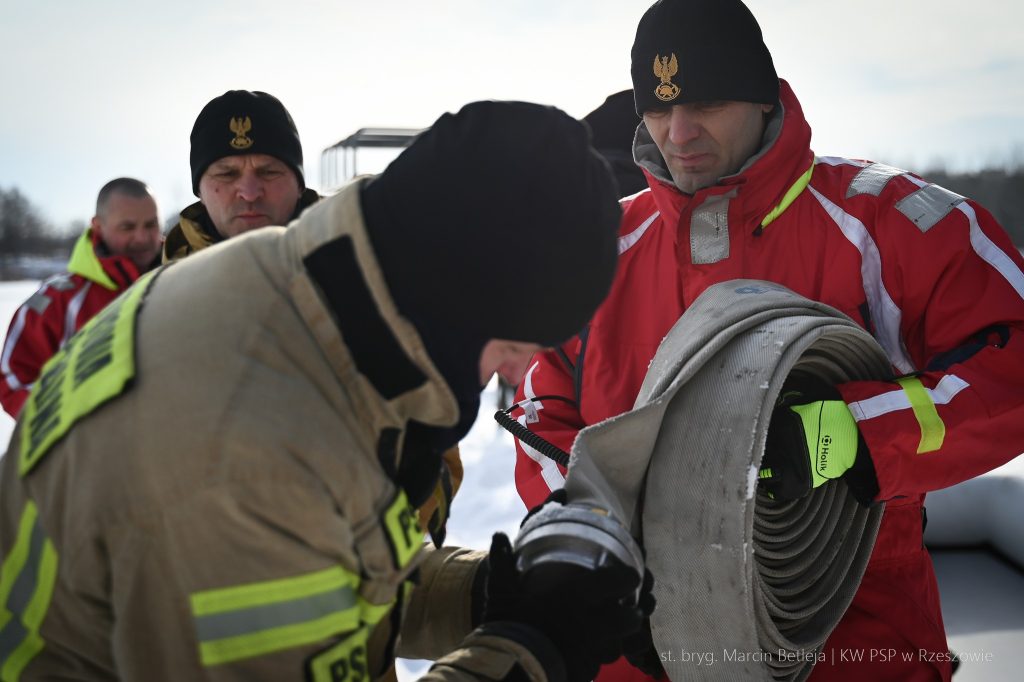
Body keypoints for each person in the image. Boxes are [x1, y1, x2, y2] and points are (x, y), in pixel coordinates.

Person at [0, 101, 650, 682]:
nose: (522, 367)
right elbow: (279, 520)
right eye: (526, 336)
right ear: (464, 292)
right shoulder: (253, 434)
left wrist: (486, 595)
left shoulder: (303, 313)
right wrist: (531, 651)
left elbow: (335, 572)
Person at [510, 1, 1024, 681]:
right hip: (635, 639)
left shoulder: (891, 224)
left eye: (708, 102)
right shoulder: (598, 250)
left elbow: (1012, 359)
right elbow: (538, 407)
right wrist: (581, 522)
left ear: (762, 96)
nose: (679, 132)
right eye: (658, 110)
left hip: (849, 638)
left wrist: (839, 438)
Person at [0, 177, 161, 418]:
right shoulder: (55, 302)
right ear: (98, 226)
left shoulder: (185, 276)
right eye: (127, 227)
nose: (142, 238)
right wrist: (78, 424)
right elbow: (14, 381)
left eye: (151, 225)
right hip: (90, 452)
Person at [163, 89, 320, 262]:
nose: (249, 194)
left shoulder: (352, 264)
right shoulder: (162, 286)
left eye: (269, 172)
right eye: (227, 174)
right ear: (200, 191)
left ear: (299, 186)